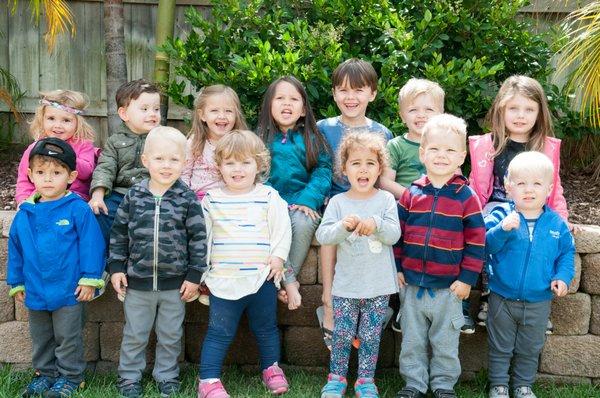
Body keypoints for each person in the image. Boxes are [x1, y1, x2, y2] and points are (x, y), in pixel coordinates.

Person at [108, 127, 207, 398]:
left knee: (171, 334)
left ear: (184, 162)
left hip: (175, 285)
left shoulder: (187, 199)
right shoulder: (133, 196)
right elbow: (119, 233)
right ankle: (129, 378)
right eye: (159, 159)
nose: (166, 166)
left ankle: (167, 376)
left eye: (174, 160)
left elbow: (198, 238)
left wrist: (194, 275)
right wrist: (116, 268)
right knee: (135, 334)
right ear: (145, 160)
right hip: (137, 283)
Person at [468, 75, 571, 330]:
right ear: (501, 109)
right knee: (492, 231)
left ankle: (537, 301)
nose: (520, 115)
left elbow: (553, 186)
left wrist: (563, 219)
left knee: (544, 236)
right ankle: (490, 295)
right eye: (513, 108)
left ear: (539, 113)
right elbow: (476, 185)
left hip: (536, 208)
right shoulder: (488, 145)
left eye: (529, 109)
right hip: (498, 207)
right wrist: (470, 215)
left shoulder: (544, 147)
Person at [395, 114, 485, 398]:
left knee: (446, 341)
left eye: (449, 150)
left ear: (461, 157)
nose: (441, 156)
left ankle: (444, 385)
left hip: (449, 288)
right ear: (422, 153)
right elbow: (398, 234)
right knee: (412, 340)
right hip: (412, 284)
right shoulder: (411, 193)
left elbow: (476, 241)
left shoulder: (465, 196)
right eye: (434, 149)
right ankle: (414, 384)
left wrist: (468, 278)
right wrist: (397, 267)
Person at [7, 138, 105, 398]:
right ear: (30, 175)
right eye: (40, 172)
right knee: (41, 338)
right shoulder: (25, 213)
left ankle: (71, 377)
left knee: (67, 337)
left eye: (56, 172)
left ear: (71, 176)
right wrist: (16, 282)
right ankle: (45, 374)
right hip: (36, 290)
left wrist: (90, 278)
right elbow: (16, 251)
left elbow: (92, 246)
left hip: (68, 291)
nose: (48, 179)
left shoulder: (77, 210)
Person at [198, 130, 291, 398]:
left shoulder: (268, 196)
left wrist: (278, 257)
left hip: (262, 278)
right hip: (223, 280)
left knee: (265, 328)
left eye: (245, 162)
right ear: (219, 166)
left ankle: (271, 368)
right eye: (230, 163)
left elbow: (282, 229)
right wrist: (202, 274)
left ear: (258, 165)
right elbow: (204, 237)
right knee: (219, 332)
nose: (237, 169)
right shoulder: (212, 199)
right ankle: (209, 379)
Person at [316, 131, 400, 398]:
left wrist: (376, 225)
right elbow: (323, 236)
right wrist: (343, 227)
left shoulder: (386, 200)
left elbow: (393, 235)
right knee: (341, 334)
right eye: (356, 163)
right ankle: (336, 378)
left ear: (379, 169)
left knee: (370, 336)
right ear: (344, 169)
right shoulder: (339, 203)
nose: (363, 169)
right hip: (346, 287)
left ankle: (365, 380)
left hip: (377, 286)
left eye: (370, 163)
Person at [485, 151, 574, 398]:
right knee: (500, 346)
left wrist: (562, 277)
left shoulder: (555, 224)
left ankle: (523, 385)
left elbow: (566, 254)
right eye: (521, 183)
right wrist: (501, 230)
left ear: (548, 189)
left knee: (530, 346)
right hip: (502, 296)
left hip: (538, 300)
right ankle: (499, 385)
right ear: (508, 186)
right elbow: (485, 245)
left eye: (537, 183)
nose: (529, 189)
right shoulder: (502, 215)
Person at [317, 58, 393, 349]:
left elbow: (381, 176)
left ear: (372, 93)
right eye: (343, 90)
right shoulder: (323, 129)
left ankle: (379, 307)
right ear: (334, 93)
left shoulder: (382, 133)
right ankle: (328, 300)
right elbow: (322, 170)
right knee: (331, 232)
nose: (351, 98)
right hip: (335, 201)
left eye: (358, 90)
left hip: (370, 203)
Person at [257, 76, 332, 310]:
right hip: (269, 203)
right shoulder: (260, 138)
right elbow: (255, 174)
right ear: (269, 105)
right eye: (279, 98)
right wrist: (272, 201)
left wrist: (309, 199)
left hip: (302, 202)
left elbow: (323, 170)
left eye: (293, 99)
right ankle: (290, 283)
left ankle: (287, 279)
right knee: (269, 225)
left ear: (303, 110)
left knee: (302, 222)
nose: (286, 103)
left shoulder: (312, 137)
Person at [378, 78, 445, 333]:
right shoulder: (396, 145)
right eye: (413, 109)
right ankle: (403, 306)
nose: (421, 115)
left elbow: (455, 177)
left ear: (440, 113)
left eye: (429, 109)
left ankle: (451, 305)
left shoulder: (443, 142)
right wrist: (413, 195)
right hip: (404, 205)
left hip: (438, 206)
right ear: (402, 114)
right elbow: (385, 181)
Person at [88, 79, 161, 245]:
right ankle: (109, 261)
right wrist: (98, 195)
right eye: (144, 109)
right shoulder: (114, 141)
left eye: (156, 109)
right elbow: (105, 168)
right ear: (124, 114)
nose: (152, 114)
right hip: (119, 194)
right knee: (99, 214)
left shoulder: (162, 139)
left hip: (151, 194)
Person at [16, 90, 98, 205]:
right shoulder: (36, 148)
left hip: (74, 198)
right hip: (42, 196)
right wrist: (22, 200)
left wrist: (65, 155)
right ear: (42, 119)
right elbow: (24, 179)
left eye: (66, 120)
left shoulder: (83, 144)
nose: (58, 125)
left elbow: (87, 173)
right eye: (51, 118)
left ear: (78, 123)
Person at [182, 84, 248, 201]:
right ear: (202, 115)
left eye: (228, 111)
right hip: (199, 203)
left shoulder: (241, 144)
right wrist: (186, 202)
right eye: (214, 110)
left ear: (236, 115)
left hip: (231, 202)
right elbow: (184, 175)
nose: (222, 116)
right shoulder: (194, 143)